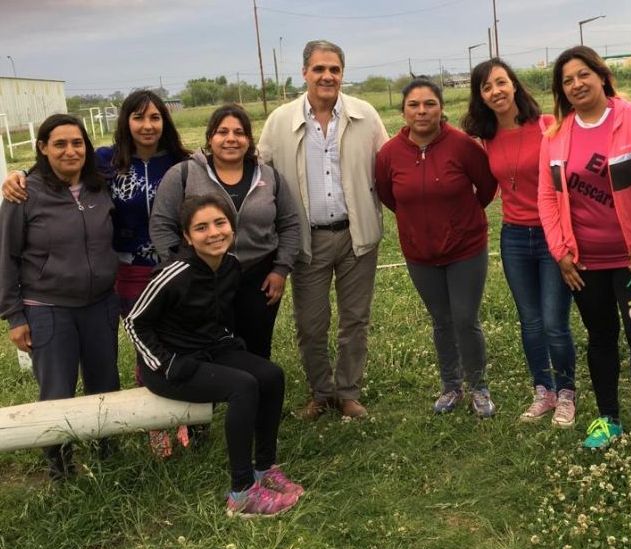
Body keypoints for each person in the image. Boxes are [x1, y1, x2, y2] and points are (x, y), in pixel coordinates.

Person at [2, 90, 193, 457]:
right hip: (121, 275)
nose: (147, 125)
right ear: (126, 122)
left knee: (163, 349)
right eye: (139, 117)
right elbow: (61, 169)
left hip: (168, 272)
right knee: (122, 360)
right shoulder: (109, 162)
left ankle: (158, 425)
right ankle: (66, 458)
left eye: (155, 117)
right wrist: (19, 174)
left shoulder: (179, 163)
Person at [538, 46, 631, 453]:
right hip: (584, 264)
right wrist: (561, 252)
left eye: (583, 74)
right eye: (567, 80)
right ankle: (608, 419)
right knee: (600, 338)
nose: (576, 84)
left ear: (602, 76)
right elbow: (546, 199)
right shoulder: (555, 135)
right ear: (561, 90)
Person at [125, 195, 303, 516]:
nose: (214, 233)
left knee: (272, 376)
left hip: (209, 351)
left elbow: (217, 316)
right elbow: (135, 323)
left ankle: (265, 469)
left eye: (220, 223)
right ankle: (242, 493)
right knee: (243, 387)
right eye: (201, 227)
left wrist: (227, 341)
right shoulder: (172, 274)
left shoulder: (230, 265)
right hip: (169, 365)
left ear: (232, 228)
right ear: (187, 237)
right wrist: (166, 364)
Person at [257, 40, 388, 420]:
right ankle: (321, 392)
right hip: (306, 240)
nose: (327, 76)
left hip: (356, 235)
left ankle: (347, 392)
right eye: (319, 69)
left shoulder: (365, 114)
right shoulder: (280, 120)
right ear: (304, 73)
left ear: (342, 74)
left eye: (334, 69)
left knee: (355, 319)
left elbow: (391, 163)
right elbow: (260, 173)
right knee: (311, 324)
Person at [0, 114, 120, 479]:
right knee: (56, 390)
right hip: (48, 309)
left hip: (100, 304)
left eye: (77, 143)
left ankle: (109, 456)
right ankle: (60, 467)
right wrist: (14, 317)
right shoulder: (23, 194)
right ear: (42, 148)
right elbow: (5, 256)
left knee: (105, 383)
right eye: (60, 144)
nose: (71, 151)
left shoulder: (100, 187)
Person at [462, 58, 577, 426]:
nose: (495, 91)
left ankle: (566, 394)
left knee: (554, 321)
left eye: (500, 82)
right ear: (480, 96)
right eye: (486, 87)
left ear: (514, 85)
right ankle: (542, 391)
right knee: (529, 321)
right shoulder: (486, 138)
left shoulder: (547, 127)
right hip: (514, 237)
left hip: (550, 235)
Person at [375, 78, 498, 417]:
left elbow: (486, 187)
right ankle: (450, 387)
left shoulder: (462, 146)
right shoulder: (389, 154)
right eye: (414, 105)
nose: (422, 111)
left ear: (441, 108)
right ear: (403, 111)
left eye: (429, 103)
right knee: (441, 319)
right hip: (419, 254)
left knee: (464, 318)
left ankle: (479, 387)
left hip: (465, 250)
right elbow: (388, 195)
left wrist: (461, 220)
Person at [151, 104, 300, 360]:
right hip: (204, 278)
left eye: (239, 132)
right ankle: (219, 392)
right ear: (210, 138)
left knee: (257, 347)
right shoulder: (184, 174)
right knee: (209, 347)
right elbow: (161, 223)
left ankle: (255, 394)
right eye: (222, 132)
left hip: (258, 277)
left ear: (249, 140)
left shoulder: (270, 177)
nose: (231, 139)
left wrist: (280, 270)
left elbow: (290, 224)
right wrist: (181, 269)